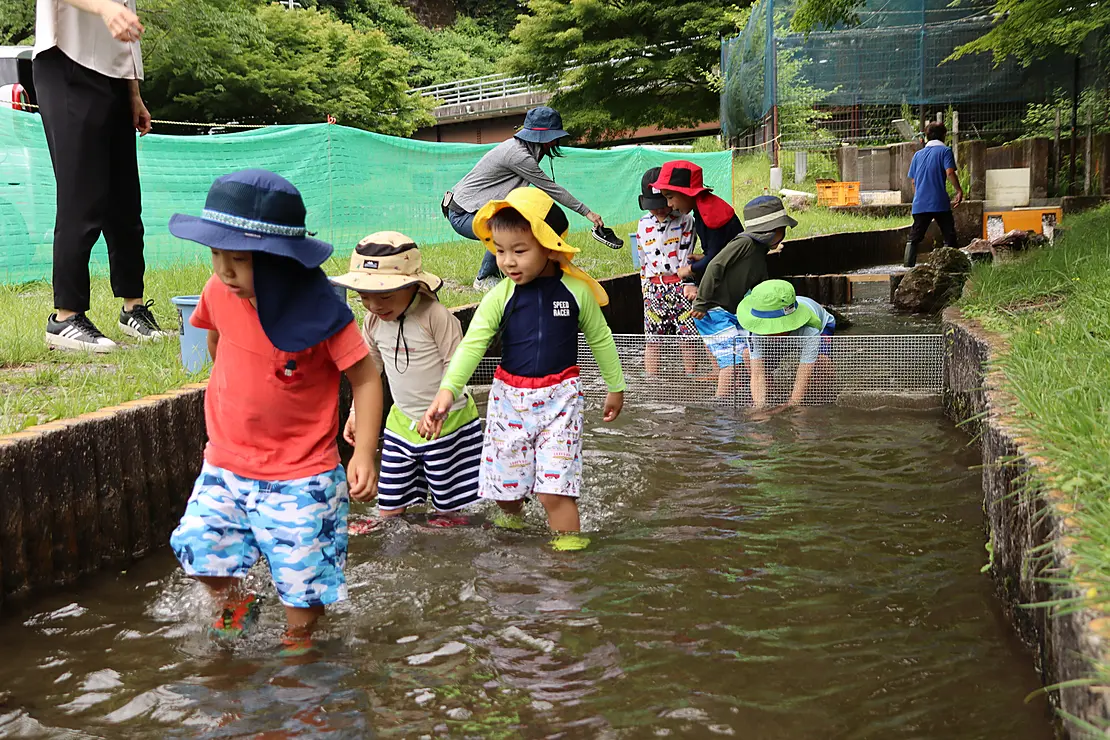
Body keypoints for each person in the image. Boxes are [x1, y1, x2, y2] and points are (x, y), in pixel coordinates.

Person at [167, 170, 384, 656]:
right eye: (215, 254)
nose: (223, 270)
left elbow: (366, 377)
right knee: (200, 548)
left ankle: (299, 642)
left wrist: (364, 451)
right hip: (226, 461)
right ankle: (236, 604)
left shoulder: (321, 313)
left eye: (239, 260)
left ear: (279, 260)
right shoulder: (218, 291)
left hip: (300, 473)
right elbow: (216, 339)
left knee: (303, 581)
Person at [420, 188, 625, 552]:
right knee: (506, 484)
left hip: (560, 400)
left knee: (554, 490)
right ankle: (511, 522)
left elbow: (601, 338)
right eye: (499, 251)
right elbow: (473, 344)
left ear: (550, 246)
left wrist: (615, 386)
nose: (508, 262)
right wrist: (447, 391)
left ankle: (568, 554)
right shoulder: (500, 296)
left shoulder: (576, 292)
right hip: (509, 400)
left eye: (519, 250)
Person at [34, 0, 168, 351]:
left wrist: (134, 94)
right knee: (83, 195)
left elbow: (126, 33)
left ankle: (133, 309)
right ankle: (65, 317)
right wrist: (105, 8)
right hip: (67, 65)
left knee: (125, 201)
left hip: (115, 78)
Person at [332, 231, 481, 526]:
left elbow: (459, 364)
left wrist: (441, 405)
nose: (374, 306)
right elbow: (368, 373)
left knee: (450, 513)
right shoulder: (373, 322)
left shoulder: (435, 316)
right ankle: (392, 537)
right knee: (390, 505)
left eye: (384, 296)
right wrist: (355, 414)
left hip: (448, 424)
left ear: (414, 286)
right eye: (364, 298)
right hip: (400, 424)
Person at [441, 106, 606, 291]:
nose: (556, 142)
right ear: (544, 137)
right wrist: (587, 212)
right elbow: (551, 189)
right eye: (554, 137)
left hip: (471, 210)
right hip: (462, 215)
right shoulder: (518, 156)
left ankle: (528, 270)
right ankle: (484, 278)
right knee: (507, 227)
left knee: (524, 222)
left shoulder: (523, 149)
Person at [688, 196, 797, 399]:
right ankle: (720, 413)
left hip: (732, 311)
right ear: (772, 230)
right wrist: (701, 302)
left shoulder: (760, 250)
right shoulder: (744, 243)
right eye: (782, 229)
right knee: (731, 365)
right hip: (712, 310)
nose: (784, 234)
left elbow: (757, 286)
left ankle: (762, 396)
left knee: (751, 354)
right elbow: (715, 266)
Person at [634, 167, 698, 376]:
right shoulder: (643, 224)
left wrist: (689, 283)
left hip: (679, 286)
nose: (660, 210)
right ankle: (652, 381)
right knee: (652, 340)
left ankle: (691, 377)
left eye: (663, 204)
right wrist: (645, 289)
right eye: (654, 206)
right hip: (654, 287)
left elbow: (687, 253)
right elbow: (643, 260)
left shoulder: (685, 220)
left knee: (687, 338)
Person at [735, 279, 836, 409]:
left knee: (822, 365)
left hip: (821, 325)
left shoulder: (810, 328)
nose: (771, 333)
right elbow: (757, 374)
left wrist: (792, 404)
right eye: (767, 329)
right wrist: (759, 408)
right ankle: (771, 394)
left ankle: (822, 400)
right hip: (784, 334)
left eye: (774, 329)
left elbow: (804, 372)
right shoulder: (755, 330)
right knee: (747, 355)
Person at [651, 160, 743, 290]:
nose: (669, 204)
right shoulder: (702, 209)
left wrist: (690, 269)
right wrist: (703, 257)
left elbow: (716, 258)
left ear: (687, 193)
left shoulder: (712, 214)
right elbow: (719, 248)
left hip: (739, 274)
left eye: (670, 197)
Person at [905, 121, 964, 267]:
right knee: (949, 235)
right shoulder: (945, 151)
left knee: (914, 237)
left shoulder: (918, 155)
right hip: (939, 202)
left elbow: (913, 182)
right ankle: (951, 266)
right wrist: (958, 190)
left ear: (927, 136)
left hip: (920, 203)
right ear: (944, 135)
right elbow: (949, 172)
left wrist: (918, 197)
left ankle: (907, 267)